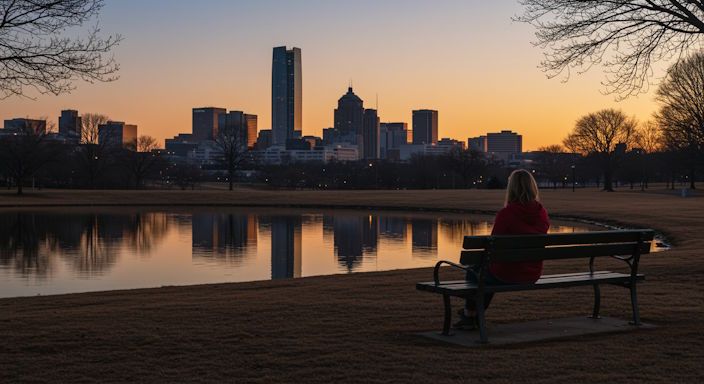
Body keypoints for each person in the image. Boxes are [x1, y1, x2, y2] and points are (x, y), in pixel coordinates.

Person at [454, 169, 550, 329]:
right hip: (532, 273)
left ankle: (470, 315)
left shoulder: (506, 214)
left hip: (508, 273)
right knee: (484, 273)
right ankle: (472, 315)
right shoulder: (542, 213)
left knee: (474, 273)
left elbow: (493, 244)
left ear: (511, 188)